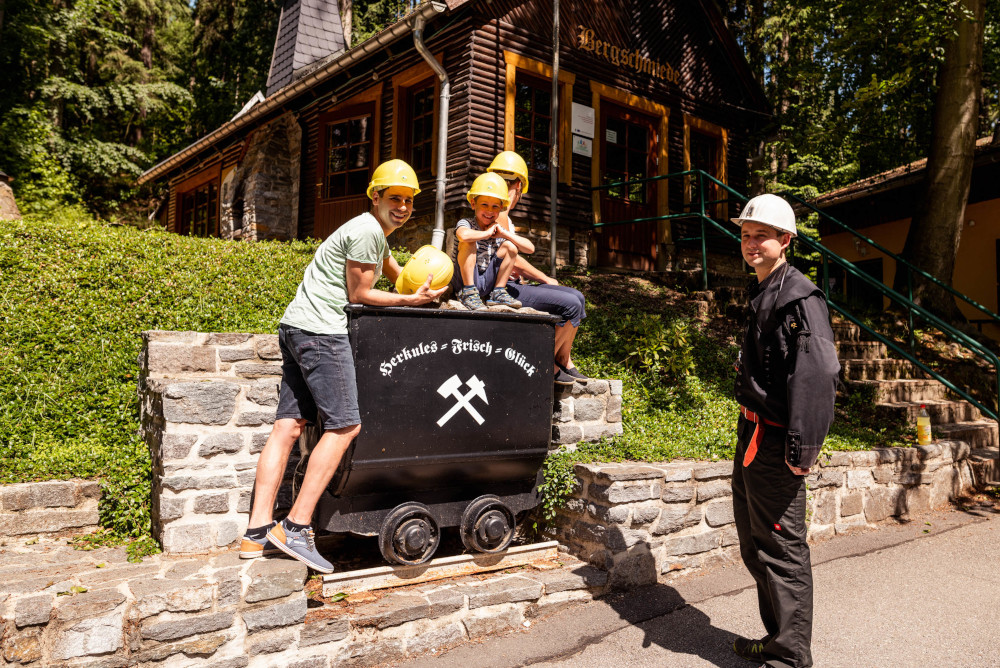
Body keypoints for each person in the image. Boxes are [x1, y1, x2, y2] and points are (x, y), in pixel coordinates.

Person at [239, 159, 446, 573]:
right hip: (321, 333)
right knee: (345, 426)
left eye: (408, 200)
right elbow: (362, 294)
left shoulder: (371, 233)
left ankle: (256, 532)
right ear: (375, 196)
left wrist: (425, 287)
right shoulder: (369, 232)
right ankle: (295, 527)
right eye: (394, 198)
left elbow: (400, 276)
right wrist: (412, 302)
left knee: (288, 426)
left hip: (296, 325)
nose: (402, 207)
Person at [730, 193, 840, 668]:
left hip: (777, 443)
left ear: (785, 241)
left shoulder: (799, 299)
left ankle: (791, 657)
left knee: (781, 550)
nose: (752, 243)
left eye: (762, 236)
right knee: (757, 546)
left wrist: (801, 451)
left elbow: (818, 377)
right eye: (746, 234)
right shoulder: (765, 289)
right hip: (752, 437)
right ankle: (778, 639)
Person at [486, 151, 589, 386]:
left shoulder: (503, 216)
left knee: (578, 298)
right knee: (571, 303)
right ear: (520, 186)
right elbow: (513, 258)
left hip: (511, 284)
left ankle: (563, 358)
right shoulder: (499, 215)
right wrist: (544, 278)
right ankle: (542, 362)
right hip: (502, 287)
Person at [451, 171, 530, 311]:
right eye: (484, 205)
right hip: (463, 282)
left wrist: (505, 234)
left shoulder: (497, 231)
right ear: (473, 204)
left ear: (501, 208)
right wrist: (486, 233)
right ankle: (468, 292)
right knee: (469, 241)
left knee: (510, 247)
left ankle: (498, 292)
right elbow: (463, 235)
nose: (489, 211)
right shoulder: (466, 223)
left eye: (495, 207)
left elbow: (530, 249)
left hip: (486, 282)